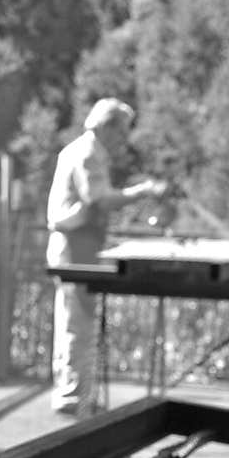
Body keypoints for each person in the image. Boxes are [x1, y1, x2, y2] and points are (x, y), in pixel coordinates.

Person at [46, 98, 167, 416]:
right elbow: (98, 200)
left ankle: (73, 392)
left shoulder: (82, 150)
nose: (123, 139)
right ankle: (74, 398)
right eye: (122, 131)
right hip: (74, 246)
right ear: (107, 127)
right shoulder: (87, 153)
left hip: (77, 243)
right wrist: (141, 191)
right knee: (78, 323)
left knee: (73, 320)